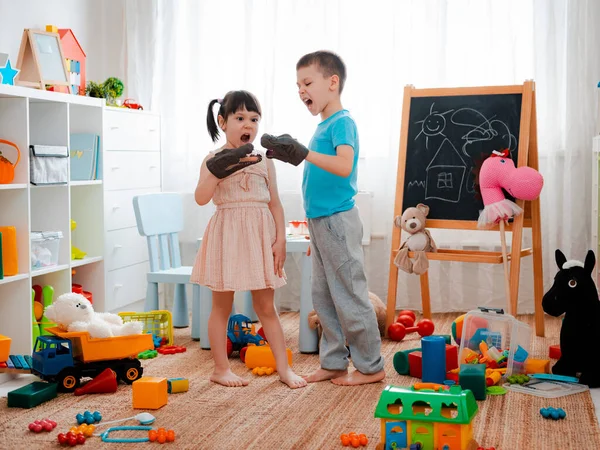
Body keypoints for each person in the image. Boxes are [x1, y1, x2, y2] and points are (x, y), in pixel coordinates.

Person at [261, 51, 386, 386]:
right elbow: (318, 168)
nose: (302, 90)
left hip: (337, 221)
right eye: (298, 85)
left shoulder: (343, 122)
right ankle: (333, 361)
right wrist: (299, 155)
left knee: (349, 293)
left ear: (332, 83)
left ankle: (371, 366)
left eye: (307, 82)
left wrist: (305, 153)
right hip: (319, 223)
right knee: (324, 296)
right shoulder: (323, 126)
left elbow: (344, 166)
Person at [191, 90, 307, 389]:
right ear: (222, 121)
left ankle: (284, 369)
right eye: (240, 118)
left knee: (266, 307)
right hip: (227, 235)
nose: (248, 125)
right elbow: (201, 198)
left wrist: (280, 240)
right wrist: (218, 169)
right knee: (221, 306)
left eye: (254, 119)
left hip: (259, 236)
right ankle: (220, 369)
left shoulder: (264, 161)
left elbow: (275, 204)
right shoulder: (213, 159)